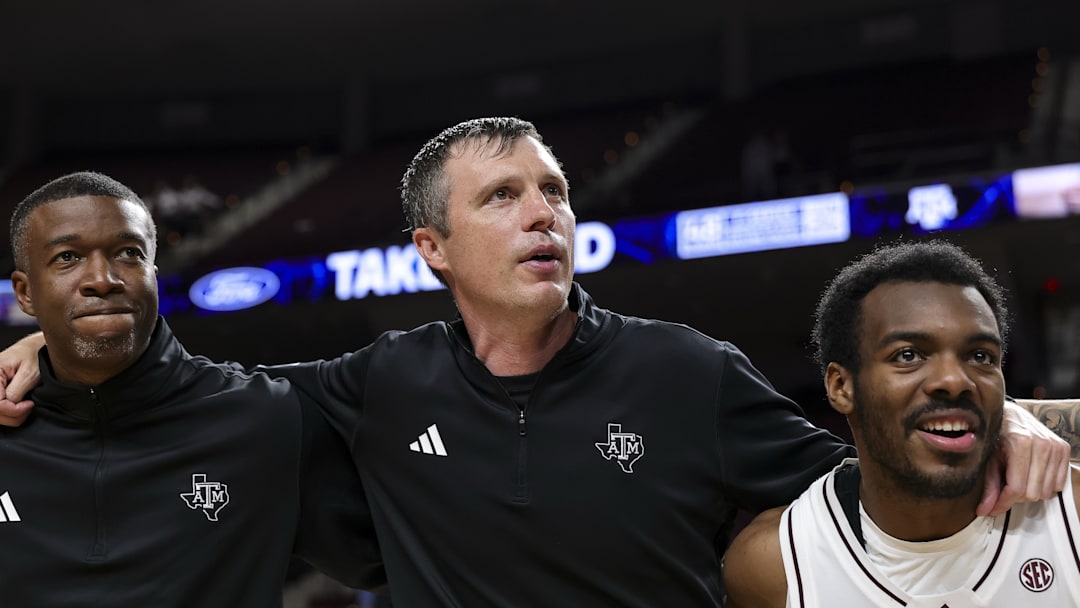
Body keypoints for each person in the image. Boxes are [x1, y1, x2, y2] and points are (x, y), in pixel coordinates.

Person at [0, 119, 1073, 606]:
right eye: (503, 196)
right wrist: (58, 342)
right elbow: (169, 388)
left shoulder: (684, 370)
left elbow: (880, 463)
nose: (544, 213)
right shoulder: (371, 386)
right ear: (433, 247)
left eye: (554, 190)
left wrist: (1006, 416)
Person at [0, 172, 383, 607]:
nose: (102, 278)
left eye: (128, 253)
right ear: (25, 292)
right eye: (67, 257)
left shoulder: (263, 418)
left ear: (153, 274)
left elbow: (407, 562)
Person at [722, 239, 1080, 607]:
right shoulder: (774, 564)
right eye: (908, 355)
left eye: (980, 356)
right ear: (841, 387)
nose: (955, 380)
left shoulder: (1073, 514)